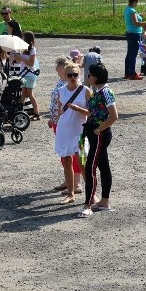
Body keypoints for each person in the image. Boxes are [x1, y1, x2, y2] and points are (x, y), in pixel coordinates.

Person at [75, 63, 118, 219]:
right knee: (103, 166)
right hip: (93, 132)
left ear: (96, 77)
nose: (88, 77)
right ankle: (104, 201)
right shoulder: (96, 91)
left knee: (90, 167)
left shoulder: (106, 92)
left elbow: (114, 116)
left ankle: (88, 205)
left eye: (90, 75)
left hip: (100, 133)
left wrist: (100, 128)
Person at [55, 62, 90, 204]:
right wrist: (56, 122)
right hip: (64, 130)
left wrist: (77, 109)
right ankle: (70, 194)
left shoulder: (85, 90)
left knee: (82, 162)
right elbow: (59, 110)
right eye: (69, 75)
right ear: (65, 76)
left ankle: (91, 193)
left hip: (80, 131)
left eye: (75, 74)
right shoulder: (61, 90)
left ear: (79, 74)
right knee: (66, 162)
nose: (72, 77)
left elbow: (91, 112)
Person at [12, 31, 41, 119]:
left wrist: (20, 57)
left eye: (23, 37)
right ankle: (19, 110)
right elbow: (18, 61)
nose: (21, 39)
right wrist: (15, 54)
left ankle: (36, 112)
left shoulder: (32, 49)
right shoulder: (22, 48)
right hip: (23, 73)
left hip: (30, 74)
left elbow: (31, 64)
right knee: (23, 93)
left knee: (29, 93)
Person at [123, 0, 145, 80]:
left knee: (129, 53)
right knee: (133, 54)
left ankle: (127, 73)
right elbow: (136, 23)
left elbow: (132, 18)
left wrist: (139, 15)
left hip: (130, 33)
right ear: (135, 2)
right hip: (135, 34)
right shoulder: (132, 11)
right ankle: (132, 73)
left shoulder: (128, 9)